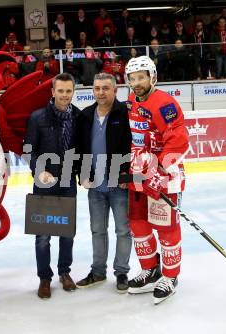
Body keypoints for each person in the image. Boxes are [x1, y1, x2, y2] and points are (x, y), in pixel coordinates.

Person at [124, 56, 189, 304]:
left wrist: (159, 168)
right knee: (138, 224)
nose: (137, 82)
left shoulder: (164, 103)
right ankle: (150, 270)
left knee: (166, 227)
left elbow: (178, 139)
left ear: (153, 77)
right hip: (138, 174)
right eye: (132, 78)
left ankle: (170, 276)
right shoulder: (131, 101)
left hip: (164, 176)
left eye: (141, 77)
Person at [24, 73, 81, 299]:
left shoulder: (78, 116)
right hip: (44, 183)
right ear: (53, 92)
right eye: (61, 91)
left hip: (68, 182)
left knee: (67, 233)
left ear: (73, 92)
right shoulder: (37, 117)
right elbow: (29, 150)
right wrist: (41, 170)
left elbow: (82, 149)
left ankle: (64, 272)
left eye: (68, 91)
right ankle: (44, 278)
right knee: (43, 235)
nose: (65, 95)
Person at [75, 72, 132, 293]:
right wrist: (82, 173)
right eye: (97, 88)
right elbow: (79, 149)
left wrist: (126, 175)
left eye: (105, 88)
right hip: (95, 187)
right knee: (97, 230)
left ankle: (122, 272)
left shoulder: (124, 113)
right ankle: (98, 272)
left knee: (123, 231)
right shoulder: (86, 115)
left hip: (119, 186)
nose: (101, 92)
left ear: (115, 90)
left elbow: (132, 146)